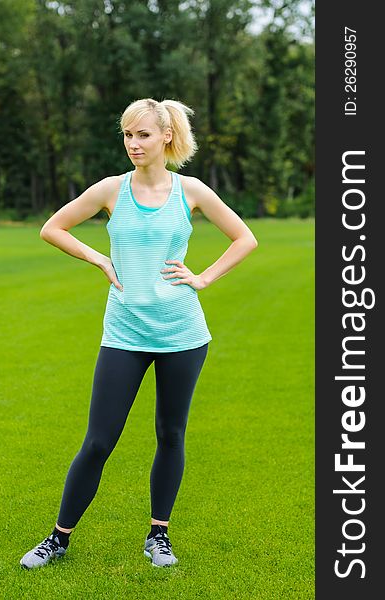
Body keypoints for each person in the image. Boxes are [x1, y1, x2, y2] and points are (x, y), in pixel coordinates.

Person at [20, 98, 258, 570]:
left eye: (143, 135)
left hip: (182, 334)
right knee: (99, 440)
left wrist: (204, 278)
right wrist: (98, 258)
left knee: (171, 434)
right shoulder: (111, 190)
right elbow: (53, 228)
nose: (133, 144)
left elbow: (245, 237)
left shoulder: (191, 191)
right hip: (124, 332)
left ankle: (158, 537)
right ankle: (57, 539)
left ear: (166, 137)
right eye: (128, 134)